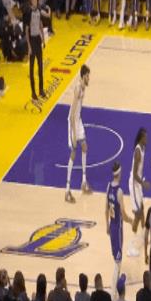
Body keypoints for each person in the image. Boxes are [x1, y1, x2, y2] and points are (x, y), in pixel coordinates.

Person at [105, 161, 133, 300]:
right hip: (117, 228)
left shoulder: (108, 187)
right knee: (117, 262)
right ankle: (113, 294)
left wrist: (106, 225)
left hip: (111, 226)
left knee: (117, 259)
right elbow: (123, 213)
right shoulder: (119, 192)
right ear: (119, 173)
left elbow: (105, 208)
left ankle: (117, 286)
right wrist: (131, 220)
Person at [65, 64, 92, 203]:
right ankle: (67, 191)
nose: (89, 78)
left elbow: (77, 112)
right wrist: (74, 135)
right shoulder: (77, 89)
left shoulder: (83, 88)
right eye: (87, 76)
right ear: (83, 76)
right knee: (73, 153)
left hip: (78, 120)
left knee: (85, 147)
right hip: (72, 123)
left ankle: (83, 182)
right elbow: (71, 115)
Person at [129, 127, 151, 257]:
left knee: (142, 209)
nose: (147, 139)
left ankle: (143, 236)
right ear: (141, 138)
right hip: (134, 184)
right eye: (145, 137)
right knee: (138, 215)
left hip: (138, 184)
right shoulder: (138, 152)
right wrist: (143, 183)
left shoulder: (143, 148)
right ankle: (131, 247)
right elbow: (134, 174)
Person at [24, 0, 45, 102]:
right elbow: (26, 30)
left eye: (37, 0)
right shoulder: (28, 13)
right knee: (31, 69)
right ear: (31, 2)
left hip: (37, 39)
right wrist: (29, 46)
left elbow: (40, 24)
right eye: (34, 0)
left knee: (40, 66)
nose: (36, 2)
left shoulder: (39, 10)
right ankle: (33, 92)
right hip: (32, 40)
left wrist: (43, 38)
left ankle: (41, 89)